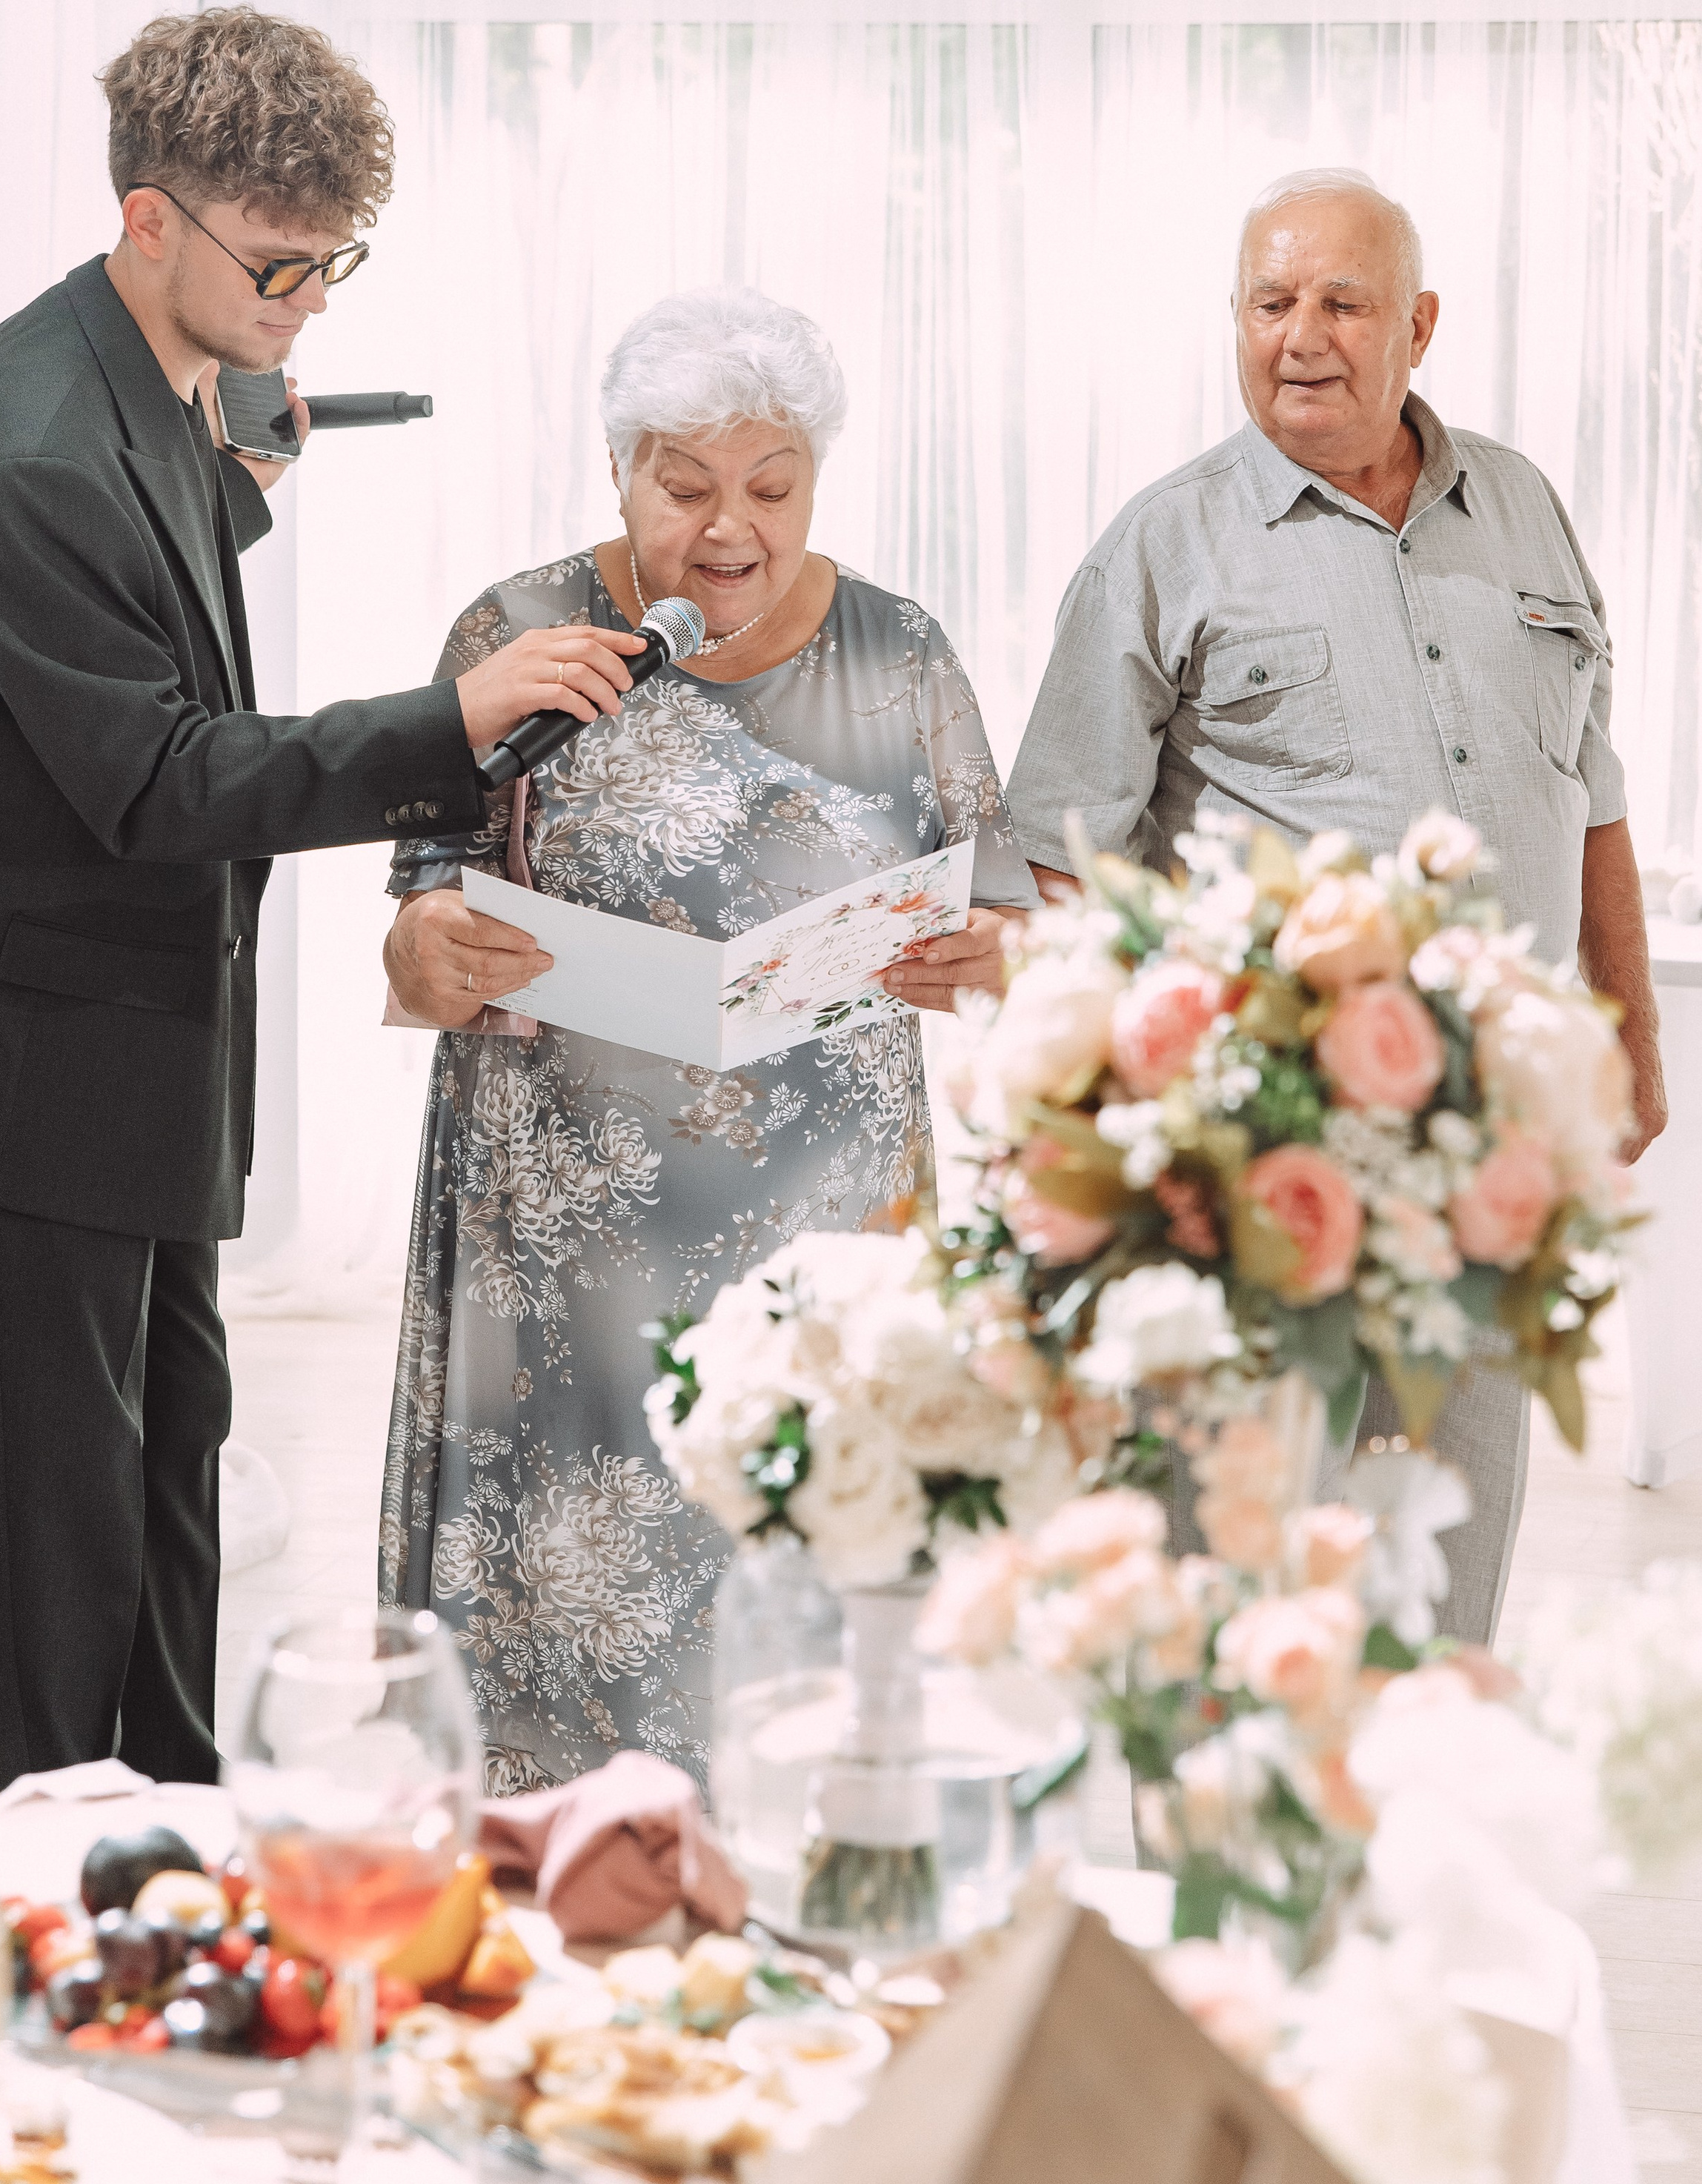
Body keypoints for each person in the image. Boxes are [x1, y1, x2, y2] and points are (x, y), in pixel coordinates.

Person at [0, 5, 656, 1801]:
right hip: (8, 1062)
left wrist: (224, 495)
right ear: (147, 222)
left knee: (167, 1465)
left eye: (336, 261)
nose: (311, 304)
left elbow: (137, 589)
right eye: (281, 264)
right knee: (55, 1542)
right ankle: (63, 1889)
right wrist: (457, 724)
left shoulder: (146, 382)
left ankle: (178, 1833)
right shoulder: (31, 447)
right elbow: (159, 778)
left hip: (114, 1048)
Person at [379, 291, 1035, 1790]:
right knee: (554, 1675)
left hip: (824, 1253)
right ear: (618, 476)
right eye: (684, 487)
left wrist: (989, 953)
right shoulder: (510, 631)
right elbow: (415, 924)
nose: (728, 527)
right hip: (562, 1266)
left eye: (770, 486)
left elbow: (1010, 917)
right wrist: (432, 949)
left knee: (804, 1663)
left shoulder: (901, 653)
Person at [1006, 165, 1665, 1644]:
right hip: (1253, 1143)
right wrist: (1114, 1127)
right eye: (1267, 302)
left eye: (1338, 302)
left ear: (1415, 325)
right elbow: (1055, 855)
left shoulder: (1521, 508)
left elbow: (1594, 784)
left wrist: (1626, 1032)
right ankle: (1216, 1860)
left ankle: (1399, 1853)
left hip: (1487, 1142)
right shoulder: (1159, 544)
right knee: (1230, 1559)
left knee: (1439, 1540)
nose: (1297, 335)